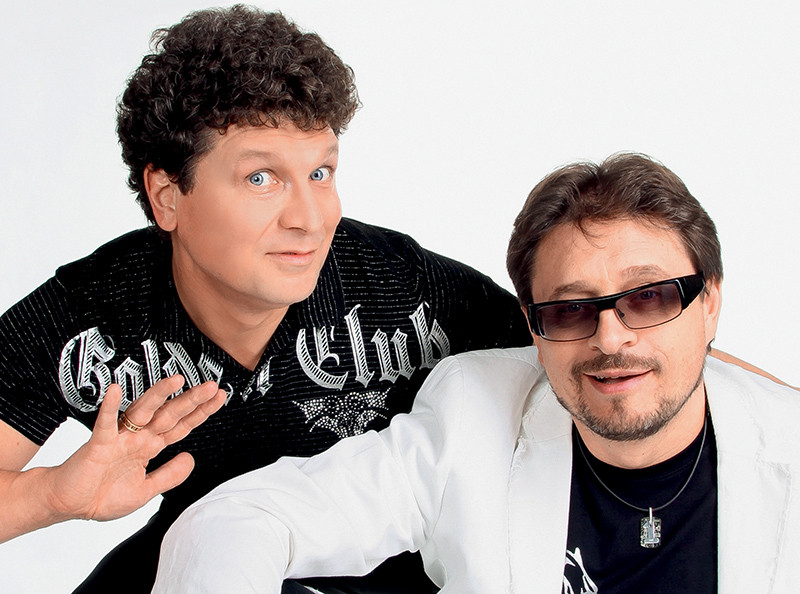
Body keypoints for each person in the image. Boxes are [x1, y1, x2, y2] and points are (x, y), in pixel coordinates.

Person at [0, 5, 535, 593]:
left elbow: (580, 376)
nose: (309, 219)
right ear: (167, 195)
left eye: (321, 173)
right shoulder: (91, 314)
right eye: (261, 178)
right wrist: (53, 495)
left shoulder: (403, 289)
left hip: (384, 570)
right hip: (206, 558)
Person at [154, 152, 800, 593]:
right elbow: (239, 520)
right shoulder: (474, 416)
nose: (611, 339)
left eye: (649, 298)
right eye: (570, 309)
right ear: (533, 328)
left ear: (709, 304)